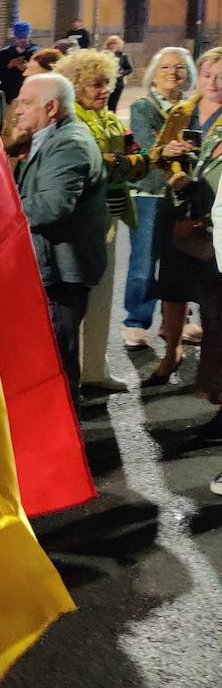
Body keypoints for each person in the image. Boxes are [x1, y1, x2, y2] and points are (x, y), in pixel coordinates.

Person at [55, 50, 148, 393]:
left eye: (107, 82)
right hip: (81, 222)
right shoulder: (72, 121)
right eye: (96, 83)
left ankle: (93, 369)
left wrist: (122, 161)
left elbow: (134, 160)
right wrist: (123, 162)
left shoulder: (108, 119)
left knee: (101, 296)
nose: (105, 89)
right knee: (80, 298)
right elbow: (98, 166)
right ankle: (77, 374)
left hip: (109, 215)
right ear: (76, 86)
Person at [13, 73, 107, 398]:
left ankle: (67, 442)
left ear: (51, 107)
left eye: (26, 103)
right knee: (49, 358)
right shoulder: (50, 138)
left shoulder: (69, 143)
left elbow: (52, 206)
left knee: (56, 364)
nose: (17, 111)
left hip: (60, 273)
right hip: (51, 267)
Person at [148, 47, 222, 423]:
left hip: (211, 214)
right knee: (172, 286)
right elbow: (155, 152)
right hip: (177, 205)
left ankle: (211, 375)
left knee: (212, 297)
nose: (213, 83)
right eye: (208, 75)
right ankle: (170, 353)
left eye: (220, 77)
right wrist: (169, 150)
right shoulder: (183, 111)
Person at [124, 48, 195, 351]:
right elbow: (147, 143)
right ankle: (136, 321)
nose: (172, 72)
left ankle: (176, 320)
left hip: (185, 193)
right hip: (150, 193)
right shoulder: (144, 105)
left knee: (183, 260)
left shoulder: (192, 106)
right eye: (165, 66)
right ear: (154, 71)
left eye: (179, 67)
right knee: (144, 262)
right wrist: (166, 149)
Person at [0, 21, 39, 100]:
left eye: (25, 37)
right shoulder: (4, 53)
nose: (22, 40)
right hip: (9, 96)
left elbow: (42, 73)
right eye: (20, 38)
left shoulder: (36, 52)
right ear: (14, 37)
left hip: (30, 96)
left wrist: (28, 68)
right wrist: (9, 66)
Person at [105, 34, 134, 112]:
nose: (113, 46)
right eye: (111, 44)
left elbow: (130, 69)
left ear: (118, 45)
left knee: (113, 105)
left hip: (118, 83)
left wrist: (122, 72)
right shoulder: (105, 54)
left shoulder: (123, 55)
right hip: (106, 83)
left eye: (115, 44)